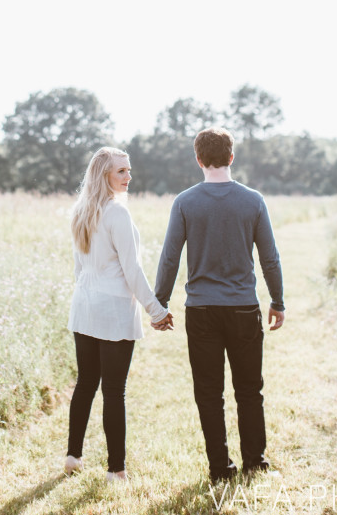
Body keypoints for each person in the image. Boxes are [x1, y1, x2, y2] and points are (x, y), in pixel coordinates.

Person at [153, 127, 285, 483]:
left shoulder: (184, 202)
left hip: (201, 312)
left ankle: (220, 469)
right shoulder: (253, 200)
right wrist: (278, 301)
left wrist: (160, 302)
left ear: (198, 159)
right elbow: (269, 258)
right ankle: (255, 462)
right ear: (231, 157)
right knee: (249, 390)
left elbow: (169, 258)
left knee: (209, 393)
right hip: (244, 308)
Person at [65, 146, 170, 481]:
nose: (128, 176)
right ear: (104, 175)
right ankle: (116, 471)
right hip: (111, 311)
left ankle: (73, 457)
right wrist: (156, 310)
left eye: (128, 170)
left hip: (84, 306)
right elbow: (132, 271)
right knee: (113, 390)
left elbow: (79, 269)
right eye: (121, 171)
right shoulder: (116, 214)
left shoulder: (82, 210)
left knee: (85, 383)